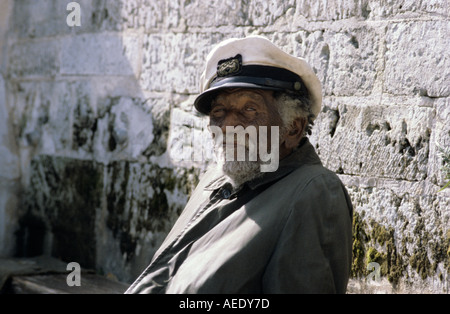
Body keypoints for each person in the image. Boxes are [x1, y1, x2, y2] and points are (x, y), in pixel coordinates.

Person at [125, 36, 353, 294]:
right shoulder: (216, 180)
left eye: (249, 110)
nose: (228, 125)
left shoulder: (314, 192)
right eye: (219, 111)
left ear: (293, 128)